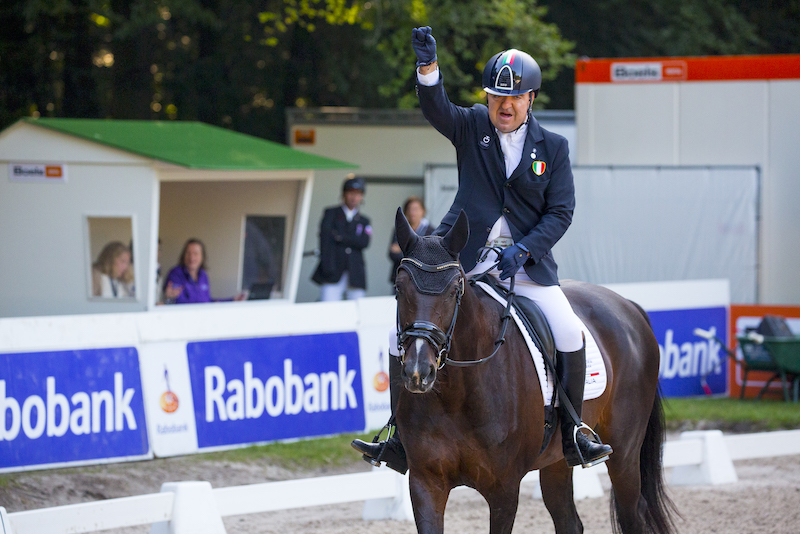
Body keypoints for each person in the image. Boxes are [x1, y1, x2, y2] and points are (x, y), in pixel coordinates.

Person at [353, 27, 612, 472]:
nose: (503, 106)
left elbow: (561, 212)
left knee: (569, 331)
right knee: (406, 332)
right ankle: (399, 435)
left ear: (531, 99)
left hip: (526, 267)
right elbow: (437, 110)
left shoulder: (554, 147)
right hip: (463, 261)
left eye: (513, 99)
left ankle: (572, 432)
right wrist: (428, 70)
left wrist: (526, 250)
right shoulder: (472, 125)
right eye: (496, 97)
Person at [311, 175, 372, 301]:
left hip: (355, 271)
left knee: (357, 307)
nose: (354, 197)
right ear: (344, 193)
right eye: (350, 193)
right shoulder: (331, 213)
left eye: (358, 194)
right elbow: (325, 239)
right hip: (333, 269)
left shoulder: (364, 220)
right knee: (328, 307)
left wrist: (340, 237)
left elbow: (364, 242)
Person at [163, 238, 246, 304]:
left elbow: (207, 301)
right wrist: (169, 298)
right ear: (183, 255)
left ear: (202, 257)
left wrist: (232, 300)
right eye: (188, 253)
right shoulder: (176, 274)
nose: (191, 258)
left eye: (195, 253)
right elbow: (180, 302)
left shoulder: (203, 275)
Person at [388, 196, 433, 284]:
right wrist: (417, 251)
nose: (412, 213)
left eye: (416, 209)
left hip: (422, 280)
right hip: (400, 277)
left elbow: (428, 257)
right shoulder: (399, 229)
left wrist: (403, 250)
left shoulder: (430, 231)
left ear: (423, 211)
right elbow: (392, 254)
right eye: (410, 209)